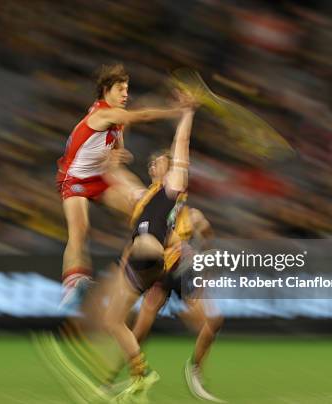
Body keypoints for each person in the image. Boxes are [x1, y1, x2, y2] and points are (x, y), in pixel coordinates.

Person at [57, 63, 191, 308]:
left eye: (127, 89)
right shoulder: (103, 113)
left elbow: (116, 144)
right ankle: (72, 284)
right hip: (74, 178)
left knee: (144, 208)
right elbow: (141, 116)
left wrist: (116, 154)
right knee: (80, 229)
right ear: (107, 90)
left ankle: (165, 268)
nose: (125, 94)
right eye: (121, 89)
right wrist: (176, 111)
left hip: (101, 177)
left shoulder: (116, 121)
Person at [103, 104, 196, 402]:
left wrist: (186, 115)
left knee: (137, 251)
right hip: (145, 264)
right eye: (156, 163)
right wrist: (114, 152)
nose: (158, 166)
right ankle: (140, 374)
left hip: (151, 255)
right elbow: (114, 174)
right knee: (114, 320)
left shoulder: (173, 188)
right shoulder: (144, 196)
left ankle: (128, 376)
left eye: (163, 162)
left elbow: (181, 146)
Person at [131, 204, 225, 402]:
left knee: (213, 322)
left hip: (184, 274)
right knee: (139, 330)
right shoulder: (154, 211)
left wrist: (205, 267)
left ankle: (194, 370)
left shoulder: (193, 216)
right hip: (161, 274)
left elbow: (209, 241)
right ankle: (132, 376)